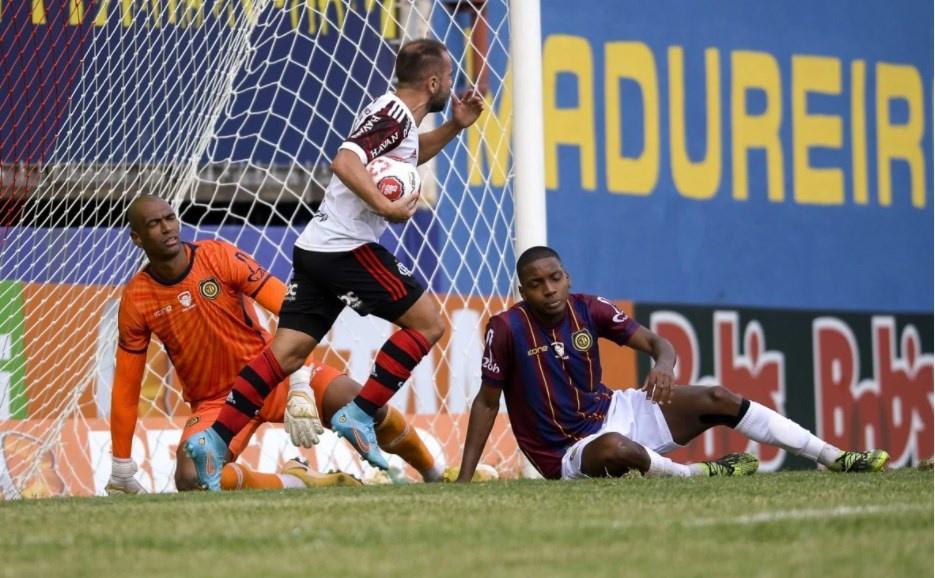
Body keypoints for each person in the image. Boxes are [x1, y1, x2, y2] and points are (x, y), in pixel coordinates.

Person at [184, 39, 484, 490]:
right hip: (347, 247)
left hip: (316, 247)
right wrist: (385, 204)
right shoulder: (391, 116)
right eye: (450, 77)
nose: (453, 87)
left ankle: (215, 439)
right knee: (427, 325)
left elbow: (407, 154)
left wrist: (456, 127)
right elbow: (345, 162)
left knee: (285, 354)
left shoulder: (396, 119)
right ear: (435, 81)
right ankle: (360, 414)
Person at [455, 246, 890, 482]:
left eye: (555, 279)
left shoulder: (590, 309)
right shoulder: (506, 328)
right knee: (612, 449)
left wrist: (663, 365)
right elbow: (487, 402)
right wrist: (465, 480)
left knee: (719, 396)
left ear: (567, 277)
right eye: (536, 284)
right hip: (567, 452)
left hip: (615, 411)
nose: (548, 290)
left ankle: (834, 457)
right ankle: (699, 474)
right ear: (522, 290)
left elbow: (657, 342)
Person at [105, 196, 441, 495]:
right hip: (216, 401)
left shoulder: (218, 257)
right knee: (191, 478)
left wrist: (298, 384)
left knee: (364, 406)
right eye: (154, 224)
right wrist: (121, 463)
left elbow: (294, 313)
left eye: (170, 218)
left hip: (272, 376)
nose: (167, 228)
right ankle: (297, 481)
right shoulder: (137, 299)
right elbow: (126, 386)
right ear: (137, 238)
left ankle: (434, 473)